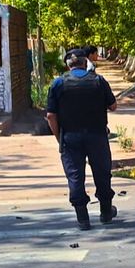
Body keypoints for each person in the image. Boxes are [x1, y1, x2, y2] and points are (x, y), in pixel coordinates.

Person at [45, 48, 118, 230]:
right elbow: (113, 106)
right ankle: (106, 213)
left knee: (75, 177)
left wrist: (59, 138)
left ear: (67, 65)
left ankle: (83, 219)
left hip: (70, 137)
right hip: (97, 136)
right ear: (86, 63)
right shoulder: (98, 81)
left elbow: (51, 116)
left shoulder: (58, 84)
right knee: (102, 174)